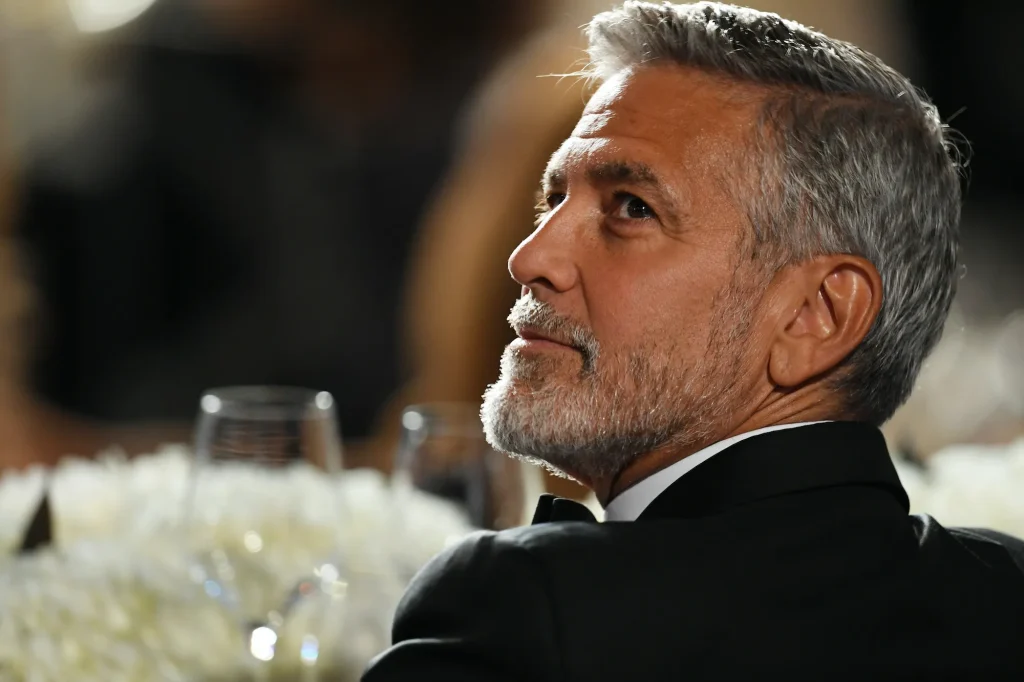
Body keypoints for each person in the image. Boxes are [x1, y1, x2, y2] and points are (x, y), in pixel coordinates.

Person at [362, 2, 1024, 679]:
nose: (529, 257)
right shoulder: (1005, 595)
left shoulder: (530, 607)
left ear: (817, 314)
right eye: (553, 200)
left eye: (632, 208)